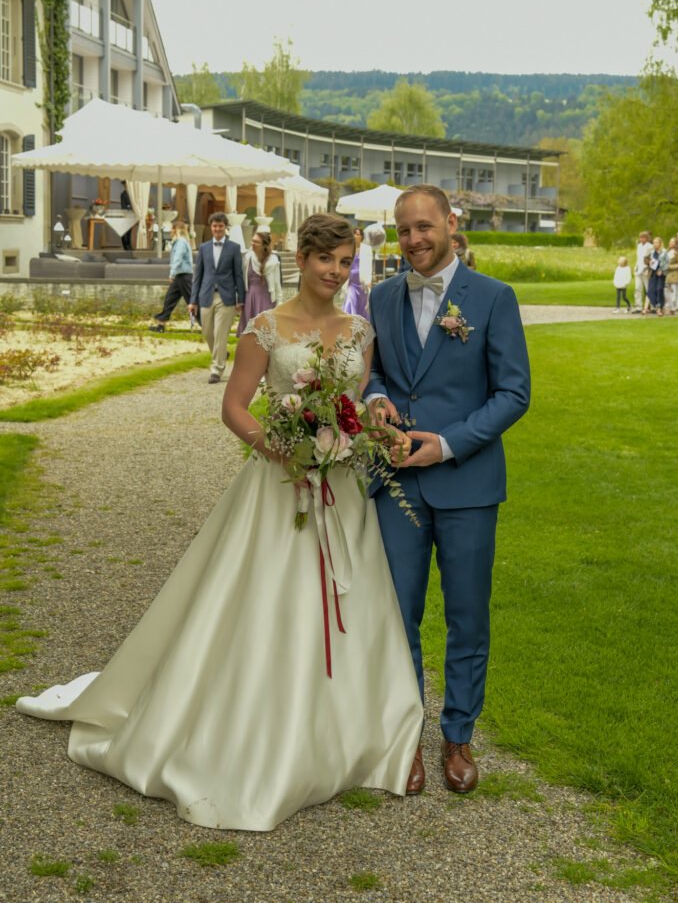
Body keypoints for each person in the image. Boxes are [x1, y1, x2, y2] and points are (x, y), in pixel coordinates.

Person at [15, 213, 423, 832]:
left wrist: (350, 435)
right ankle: (258, 730)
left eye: (345, 263)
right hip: (279, 486)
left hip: (340, 489)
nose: (336, 273)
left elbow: (352, 401)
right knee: (267, 603)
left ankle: (351, 729)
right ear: (301, 259)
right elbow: (234, 407)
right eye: (326, 261)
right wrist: (280, 448)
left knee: (350, 600)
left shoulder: (359, 329)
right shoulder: (266, 327)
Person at [365, 184, 530, 796]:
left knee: (466, 619)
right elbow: (375, 370)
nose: (414, 240)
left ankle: (457, 735)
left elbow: (514, 393)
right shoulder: (382, 297)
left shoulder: (493, 298)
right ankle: (406, 734)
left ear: (450, 224)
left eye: (424, 227)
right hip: (395, 490)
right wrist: (376, 399)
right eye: (404, 230)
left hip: (467, 484)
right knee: (395, 617)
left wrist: (448, 443)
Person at [189, 213, 245, 384]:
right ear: (211, 227)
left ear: (225, 227)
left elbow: (238, 274)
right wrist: (192, 301)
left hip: (226, 297)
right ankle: (222, 353)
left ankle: (216, 370)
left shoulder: (234, 248)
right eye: (214, 226)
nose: (217, 229)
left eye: (220, 226)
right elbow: (197, 276)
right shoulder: (204, 248)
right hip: (206, 296)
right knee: (207, 332)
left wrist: (240, 298)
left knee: (220, 333)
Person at [148, 221, 194, 332]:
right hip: (180, 276)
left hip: (183, 276)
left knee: (192, 301)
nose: (171, 232)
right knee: (170, 299)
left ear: (176, 230)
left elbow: (178, 259)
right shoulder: (180, 242)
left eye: (172, 229)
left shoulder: (181, 242)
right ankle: (161, 326)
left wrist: (172, 274)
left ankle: (207, 324)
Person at [236, 231, 283, 335]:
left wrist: (279, 303)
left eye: (256, 242)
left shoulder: (273, 260)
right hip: (250, 299)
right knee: (249, 334)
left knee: (264, 332)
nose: (253, 244)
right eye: (252, 241)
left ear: (264, 245)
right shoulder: (248, 258)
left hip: (266, 299)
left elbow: (277, 284)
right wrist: (239, 299)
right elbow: (243, 280)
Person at [342, 227, 373, 319]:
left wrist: (369, 280)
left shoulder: (367, 249)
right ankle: (348, 321)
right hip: (351, 281)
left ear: (361, 237)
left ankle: (360, 324)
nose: (356, 236)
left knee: (361, 307)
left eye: (358, 234)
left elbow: (369, 265)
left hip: (362, 282)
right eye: (354, 234)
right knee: (350, 301)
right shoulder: (348, 248)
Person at [646, 236, 669, 316]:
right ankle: (656, 306)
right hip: (653, 273)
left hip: (661, 274)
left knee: (659, 290)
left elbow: (667, 263)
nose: (655, 244)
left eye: (656, 243)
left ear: (660, 243)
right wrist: (649, 263)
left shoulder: (664, 252)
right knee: (650, 291)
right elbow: (646, 260)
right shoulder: (652, 252)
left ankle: (659, 308)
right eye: (654, 243)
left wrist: (662, 271)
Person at [633, 231, 653, 313]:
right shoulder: (639, 246)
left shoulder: (650, 247)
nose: (641, 239)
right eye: (640, 237)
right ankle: (638, 306)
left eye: (643, 237)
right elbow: (639, 258)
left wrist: (648, 268)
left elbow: (650, 259)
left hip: (646, 269)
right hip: (638, 269)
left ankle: (651, 305)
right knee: (637, 288)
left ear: (647, 238)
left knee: (648, 288)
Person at [664, 237, 678, 314]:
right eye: (670, 241)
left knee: (673, 291)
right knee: (667, 291)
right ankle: (668, 306)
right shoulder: (667, 252)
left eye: (673, 242)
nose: (671, 243)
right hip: (667, 274)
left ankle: (673, 308)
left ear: (675, 243)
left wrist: (670, 266)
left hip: (674, 274)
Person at [120, 180, 134, 251]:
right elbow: (123, 206)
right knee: (125, 231)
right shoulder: (123, 194)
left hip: (131, 215)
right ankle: (126, 246)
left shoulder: (132, 194)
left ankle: (129, 245)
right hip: (126, 214)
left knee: (129, 232)